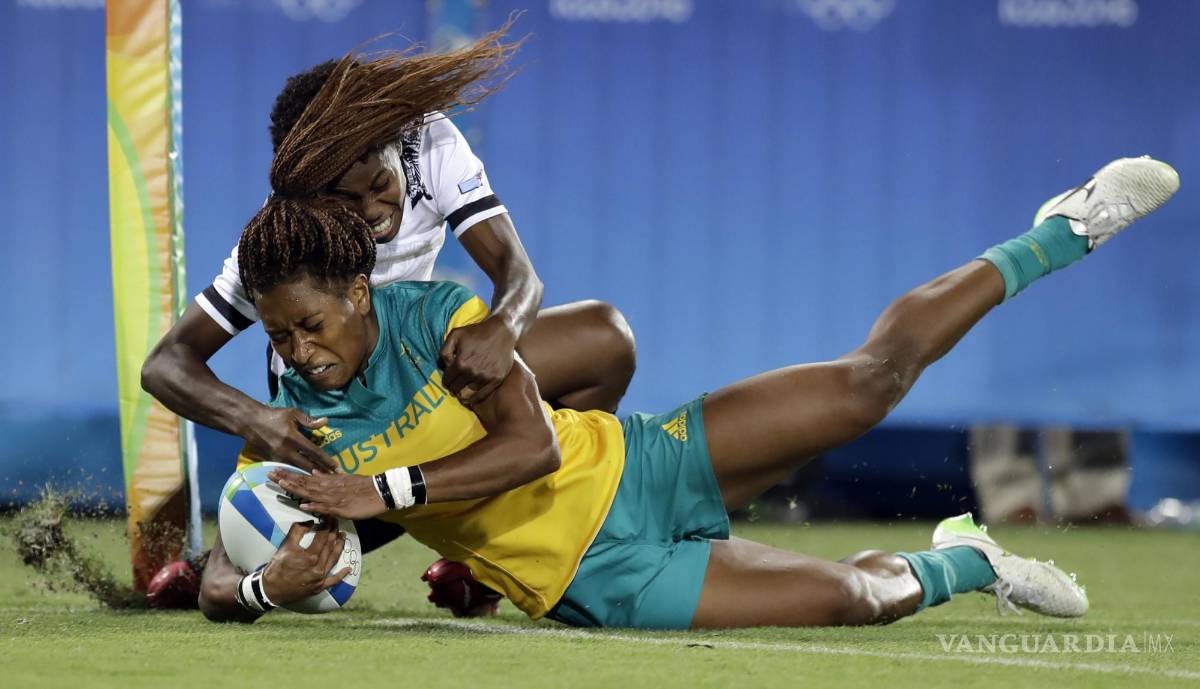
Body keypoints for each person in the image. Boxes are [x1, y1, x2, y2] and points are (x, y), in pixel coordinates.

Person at [197, 153, 1179, 627]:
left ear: (362, 291)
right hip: (602, 577)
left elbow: (535, 444)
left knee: (867, 383)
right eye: (276, 333)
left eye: (311, 325)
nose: (296, 351)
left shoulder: (435, 314)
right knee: (848, 596)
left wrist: (385, 492)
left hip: (643, 462)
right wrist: (255, 585)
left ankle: (1062, 231)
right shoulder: (296, 428)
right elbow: (217, 573)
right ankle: (968, 559)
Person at [143, 23, 634, 614]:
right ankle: (232, 565)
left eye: (381, 185)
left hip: (425, 370)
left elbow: (517, 272)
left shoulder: (430, 143)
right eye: (350, 202)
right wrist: (260, 420)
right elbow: (167, 363)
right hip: (340, 414)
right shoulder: (285, 237)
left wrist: (502, 327)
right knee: (332, 514)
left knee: (604, 340)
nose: (378, 214)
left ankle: (498, 544)